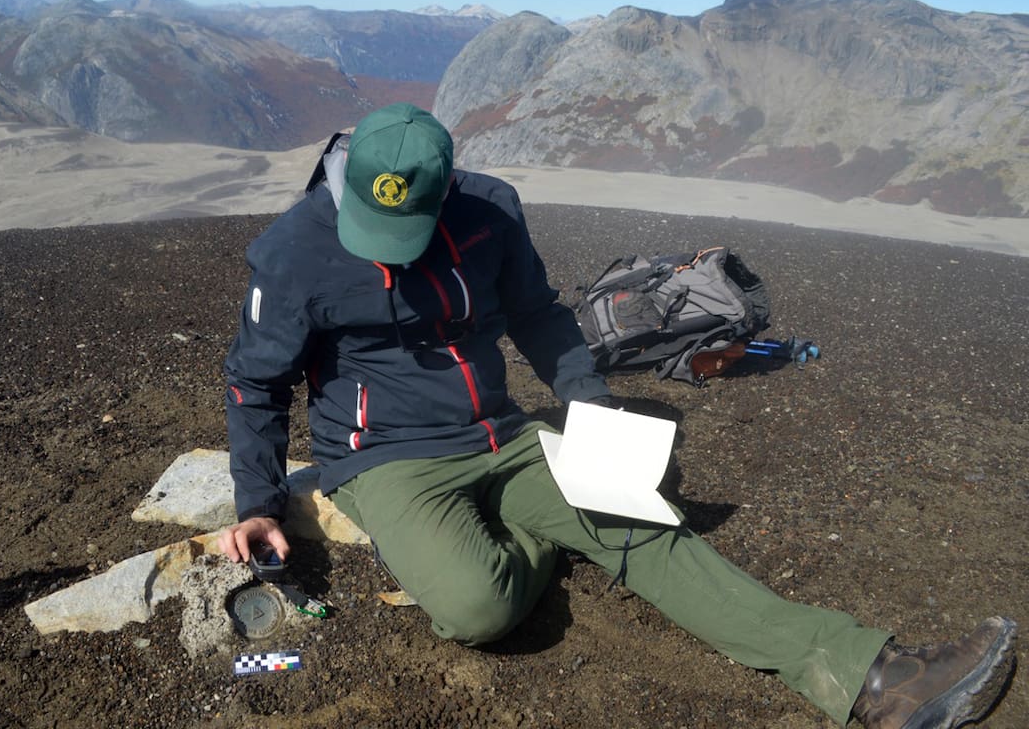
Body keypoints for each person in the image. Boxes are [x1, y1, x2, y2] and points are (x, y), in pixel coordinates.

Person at [216, 102, 1016, 728]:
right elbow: (255, 384)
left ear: (446, 189)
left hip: (500, 432)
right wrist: (257, 502)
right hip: (385, 458)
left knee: (644, 526)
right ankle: (544, 535)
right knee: (474, 609)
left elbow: (538, 316)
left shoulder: (490, 212)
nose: (387, 250)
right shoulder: (292, 253)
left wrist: (590, 413)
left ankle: (873, 678)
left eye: (407, 231)